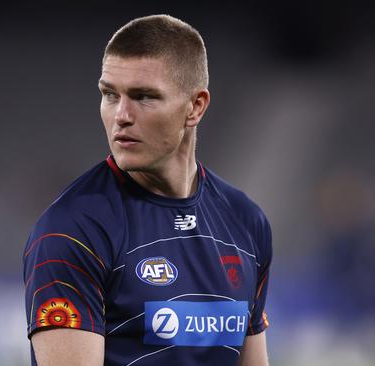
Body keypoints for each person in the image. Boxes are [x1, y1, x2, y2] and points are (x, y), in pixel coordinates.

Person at [23, 14, 272, 366]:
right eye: (110, 94)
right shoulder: (72, 231)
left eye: (143, 97)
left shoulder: (247, 223)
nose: (121, 115)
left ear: (195, 106)